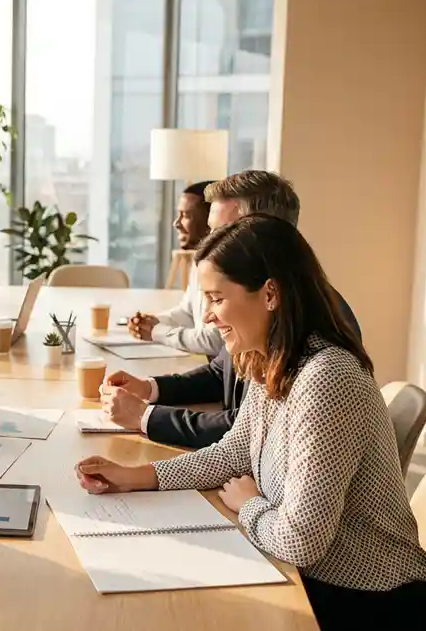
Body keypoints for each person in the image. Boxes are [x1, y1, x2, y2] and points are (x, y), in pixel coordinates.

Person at [76, 215, 426, 631]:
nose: (207, 317)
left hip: (376, 618)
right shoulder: (272, 359)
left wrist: (249, 503)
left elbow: (301, 541)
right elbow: (234, 452)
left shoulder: (325, 378)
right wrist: (138, 476)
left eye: (216, 298)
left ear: (269, 294)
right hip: (321, 589)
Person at [111, 170, 360, 448]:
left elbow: (248, 431)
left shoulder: (315, 333)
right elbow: (220, 374)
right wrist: (149, 388)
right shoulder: (254, 308)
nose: (209, 245)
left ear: (266, 233)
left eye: (222, 233)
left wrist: (146, 417)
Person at [127, 181, 223, 357]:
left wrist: (157, 332)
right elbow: (187, 314)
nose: (176, 223)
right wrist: (152, 321)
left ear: (210, 219)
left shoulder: (222, 267)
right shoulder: (200, 261)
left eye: (185, 215)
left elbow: (213, 341)